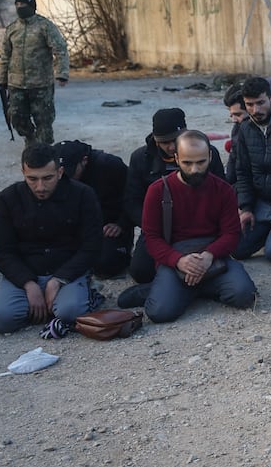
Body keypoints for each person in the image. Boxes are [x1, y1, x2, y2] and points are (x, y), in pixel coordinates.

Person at [140, 131, 257, 323]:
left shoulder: (223, 189)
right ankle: (178, 288)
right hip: (175, 257)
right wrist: (178, 261)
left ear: (210, 156)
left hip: (213, 256)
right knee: (160, 312)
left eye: (201, 162)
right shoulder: (157, 191)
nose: (195, 169)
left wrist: (208, 256)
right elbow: (151, 237)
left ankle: (187, 289)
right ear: (176, 158)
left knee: (245, 296)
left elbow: (231, 234)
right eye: (187, 163)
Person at [0, 144, 100, 333]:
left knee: (70, 313)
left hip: (67, 270)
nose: (40, 186)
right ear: (23, 172)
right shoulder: (7, 199)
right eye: (32, 179)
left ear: (60, 171)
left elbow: (92, 246)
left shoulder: (83, 195)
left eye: (47, 178)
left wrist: (59, 279)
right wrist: (28, 284)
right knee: (1, 320)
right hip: (25, 271)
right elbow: (2, 251)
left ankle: (87, 294)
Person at [123, 108, 225, 287]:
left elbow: (222, 192)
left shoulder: (207, 153)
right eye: (164, 143)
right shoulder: (141, 159)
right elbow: (132, 200)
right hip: (158, 227)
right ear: (155, 140)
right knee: (141, 272)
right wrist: (152, 226)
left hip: (201, 226)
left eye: (174, 140)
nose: (170, 147)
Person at [232, 76, 271, 259]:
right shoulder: (245, 128)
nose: (255, 110)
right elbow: (242, 172)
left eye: (260, 103)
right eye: (249, 105)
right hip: (261, 204)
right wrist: (245, 208)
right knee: (236, 249)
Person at [0, 0, 69, 147]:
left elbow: (60, 49)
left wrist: (62, 74)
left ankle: (44, 150)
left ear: (31, 6)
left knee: (44, 120)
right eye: (17, 5)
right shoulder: (12, 29)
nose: (19, 8)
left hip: (41, 84)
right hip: (16, 85)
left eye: (23, 5)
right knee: (17, 118)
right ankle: (31, 141)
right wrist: (2, 80)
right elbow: (5, 56)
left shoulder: (45, 26)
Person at [53, 140, 131, 278]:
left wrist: (121, 223)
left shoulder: (109, 166)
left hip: (109, 226)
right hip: (79, 226)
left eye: (70, 173)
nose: (65, 179)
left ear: (84, 160)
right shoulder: (52, 175)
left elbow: (135, 197)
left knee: (105, 265)